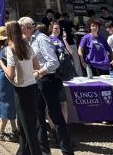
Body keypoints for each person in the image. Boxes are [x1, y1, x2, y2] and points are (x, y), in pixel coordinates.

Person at [20, 17, 74, 155]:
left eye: (20, 28)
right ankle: (44, 152)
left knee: (55, 116)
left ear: (25, 27)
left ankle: (67, 151)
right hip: (37, 82)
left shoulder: (41, 39)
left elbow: (53, 62)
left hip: (47, 80)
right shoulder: (30, 40)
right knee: (38, 118)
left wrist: (39, 72)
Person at [0, 20, 42, 155]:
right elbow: (37, 67)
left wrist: (0, 64)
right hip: (32, 88)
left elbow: (10, 74)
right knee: (23, 126)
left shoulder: (11, 49)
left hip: (21, 91)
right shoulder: (27, 46)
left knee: (28, 130)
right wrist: (30, 75)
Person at [0, 26, 18, 142]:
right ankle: (2, 132)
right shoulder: (8, 49)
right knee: (7, 102)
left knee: (5, 101)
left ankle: (13, 129)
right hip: (6, 77)